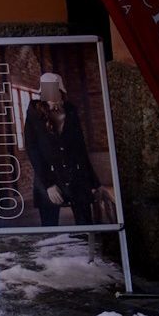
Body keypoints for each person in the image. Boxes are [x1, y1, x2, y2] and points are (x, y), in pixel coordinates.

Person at [23, 72, 103, 226]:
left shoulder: (71, 111)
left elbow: (80, 148)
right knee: (49, 229)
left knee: (86, 226)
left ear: (62, 91)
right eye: (48, 92)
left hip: (76, 176)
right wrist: (48, 185)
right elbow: (33, 151)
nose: (52, 96)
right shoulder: (33, 114)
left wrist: (93, 181)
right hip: (48, 178)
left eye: (55, 91)